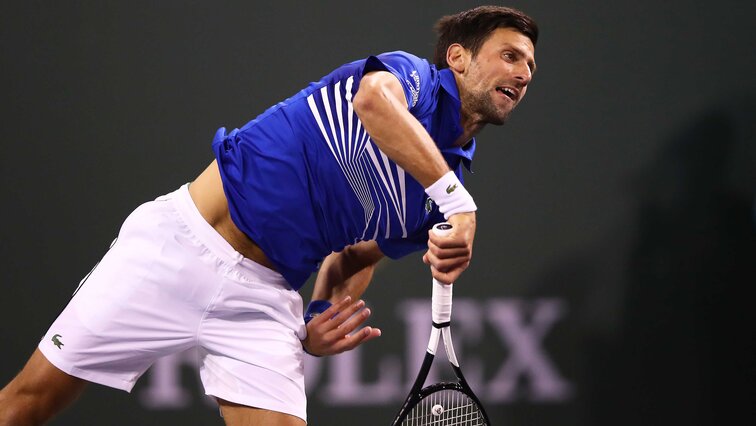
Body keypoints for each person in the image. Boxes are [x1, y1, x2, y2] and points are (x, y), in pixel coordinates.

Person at [0, 5, 538, 425]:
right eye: (510, 55)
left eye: (531, 65)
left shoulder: (439, 193)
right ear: (459, 58)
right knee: (26, 405)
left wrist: (320, 314)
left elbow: (352, 257)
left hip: (261, 301)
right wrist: (458, 202)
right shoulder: (410, 79)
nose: (524, 72)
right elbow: (374, 103)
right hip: (180, 245)